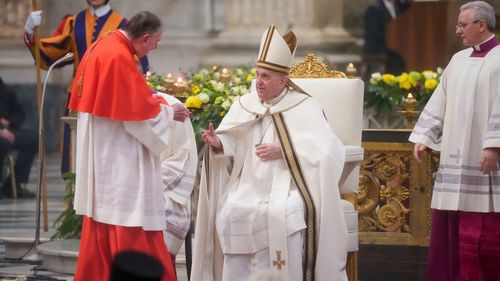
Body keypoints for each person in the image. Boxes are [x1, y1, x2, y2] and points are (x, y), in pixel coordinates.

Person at [191, 25, 348, 281]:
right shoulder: (246, 104)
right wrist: (219, 143)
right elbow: (235, 142)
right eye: (257, 75)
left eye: (265, 77)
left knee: (280, 213)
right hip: (249, 184)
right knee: (232, 209)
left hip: (290, 186)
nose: (258, 83)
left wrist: (286, 151)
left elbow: (329, 150)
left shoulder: (306, 106)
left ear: (283, 81)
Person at [68, 11, 190, 281]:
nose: (156, 47)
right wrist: (171, 113)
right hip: (119, 157)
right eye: (156, 42)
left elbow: (126, 99)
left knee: (103, 223)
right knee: (130, 220)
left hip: (105, 153)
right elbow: (135, 119)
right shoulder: (119, 57)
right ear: (145, 38)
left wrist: (150, 98)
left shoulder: (105, 45)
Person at [410, 2, 500, 281]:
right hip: (454, 156)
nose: (458, 30)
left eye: (463, 25)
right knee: (450, 223)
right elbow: (441, 100)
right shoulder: (458, 60)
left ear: (481, 25)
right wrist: (425, 135)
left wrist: (493, 146)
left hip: (485, 159)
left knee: (482, 230)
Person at [24, 0, 148, 174]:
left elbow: (138, 62)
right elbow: (53, 53)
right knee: (75, 149)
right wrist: (30, 33)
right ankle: (73, 196)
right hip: (78, 94)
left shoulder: (123, 24)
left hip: (109, 96)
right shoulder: (73, 22)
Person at [157, 92, 198, 272]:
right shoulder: (122, 103)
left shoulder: (170, 104)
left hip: (166, 186)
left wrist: (149, 184)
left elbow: (181, 155)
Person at [0, 77, 37, 199]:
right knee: (3, 143)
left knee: (33, 139)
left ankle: (13, 184)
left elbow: (19, 112)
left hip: (8, 130)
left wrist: (9, 122)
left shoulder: (4, 88)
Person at [362, 0, 411, 79]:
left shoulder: (402, 7)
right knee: (397, 58)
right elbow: (374, 33)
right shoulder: (374, 10)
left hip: (398, 46)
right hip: (379, 48)